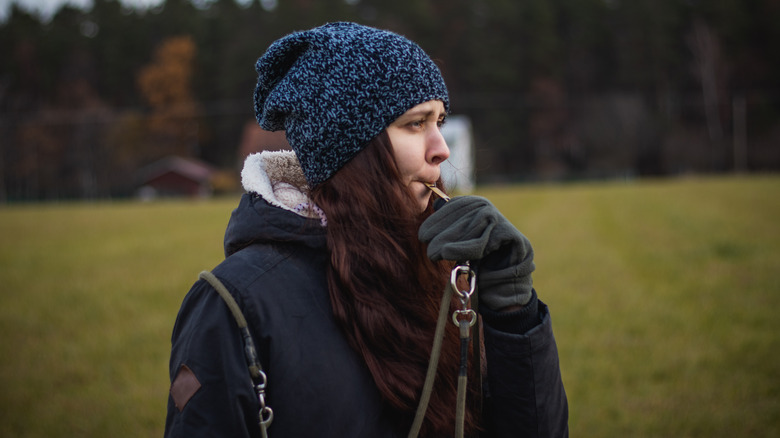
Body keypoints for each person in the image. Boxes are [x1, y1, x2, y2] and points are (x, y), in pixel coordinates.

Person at [165, 22, 568, 438]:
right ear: (350, 146)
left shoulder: (447, 270)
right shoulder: (233, 304)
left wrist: (513, 313)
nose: (441, 149)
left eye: (439, 121)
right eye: (415, 123)